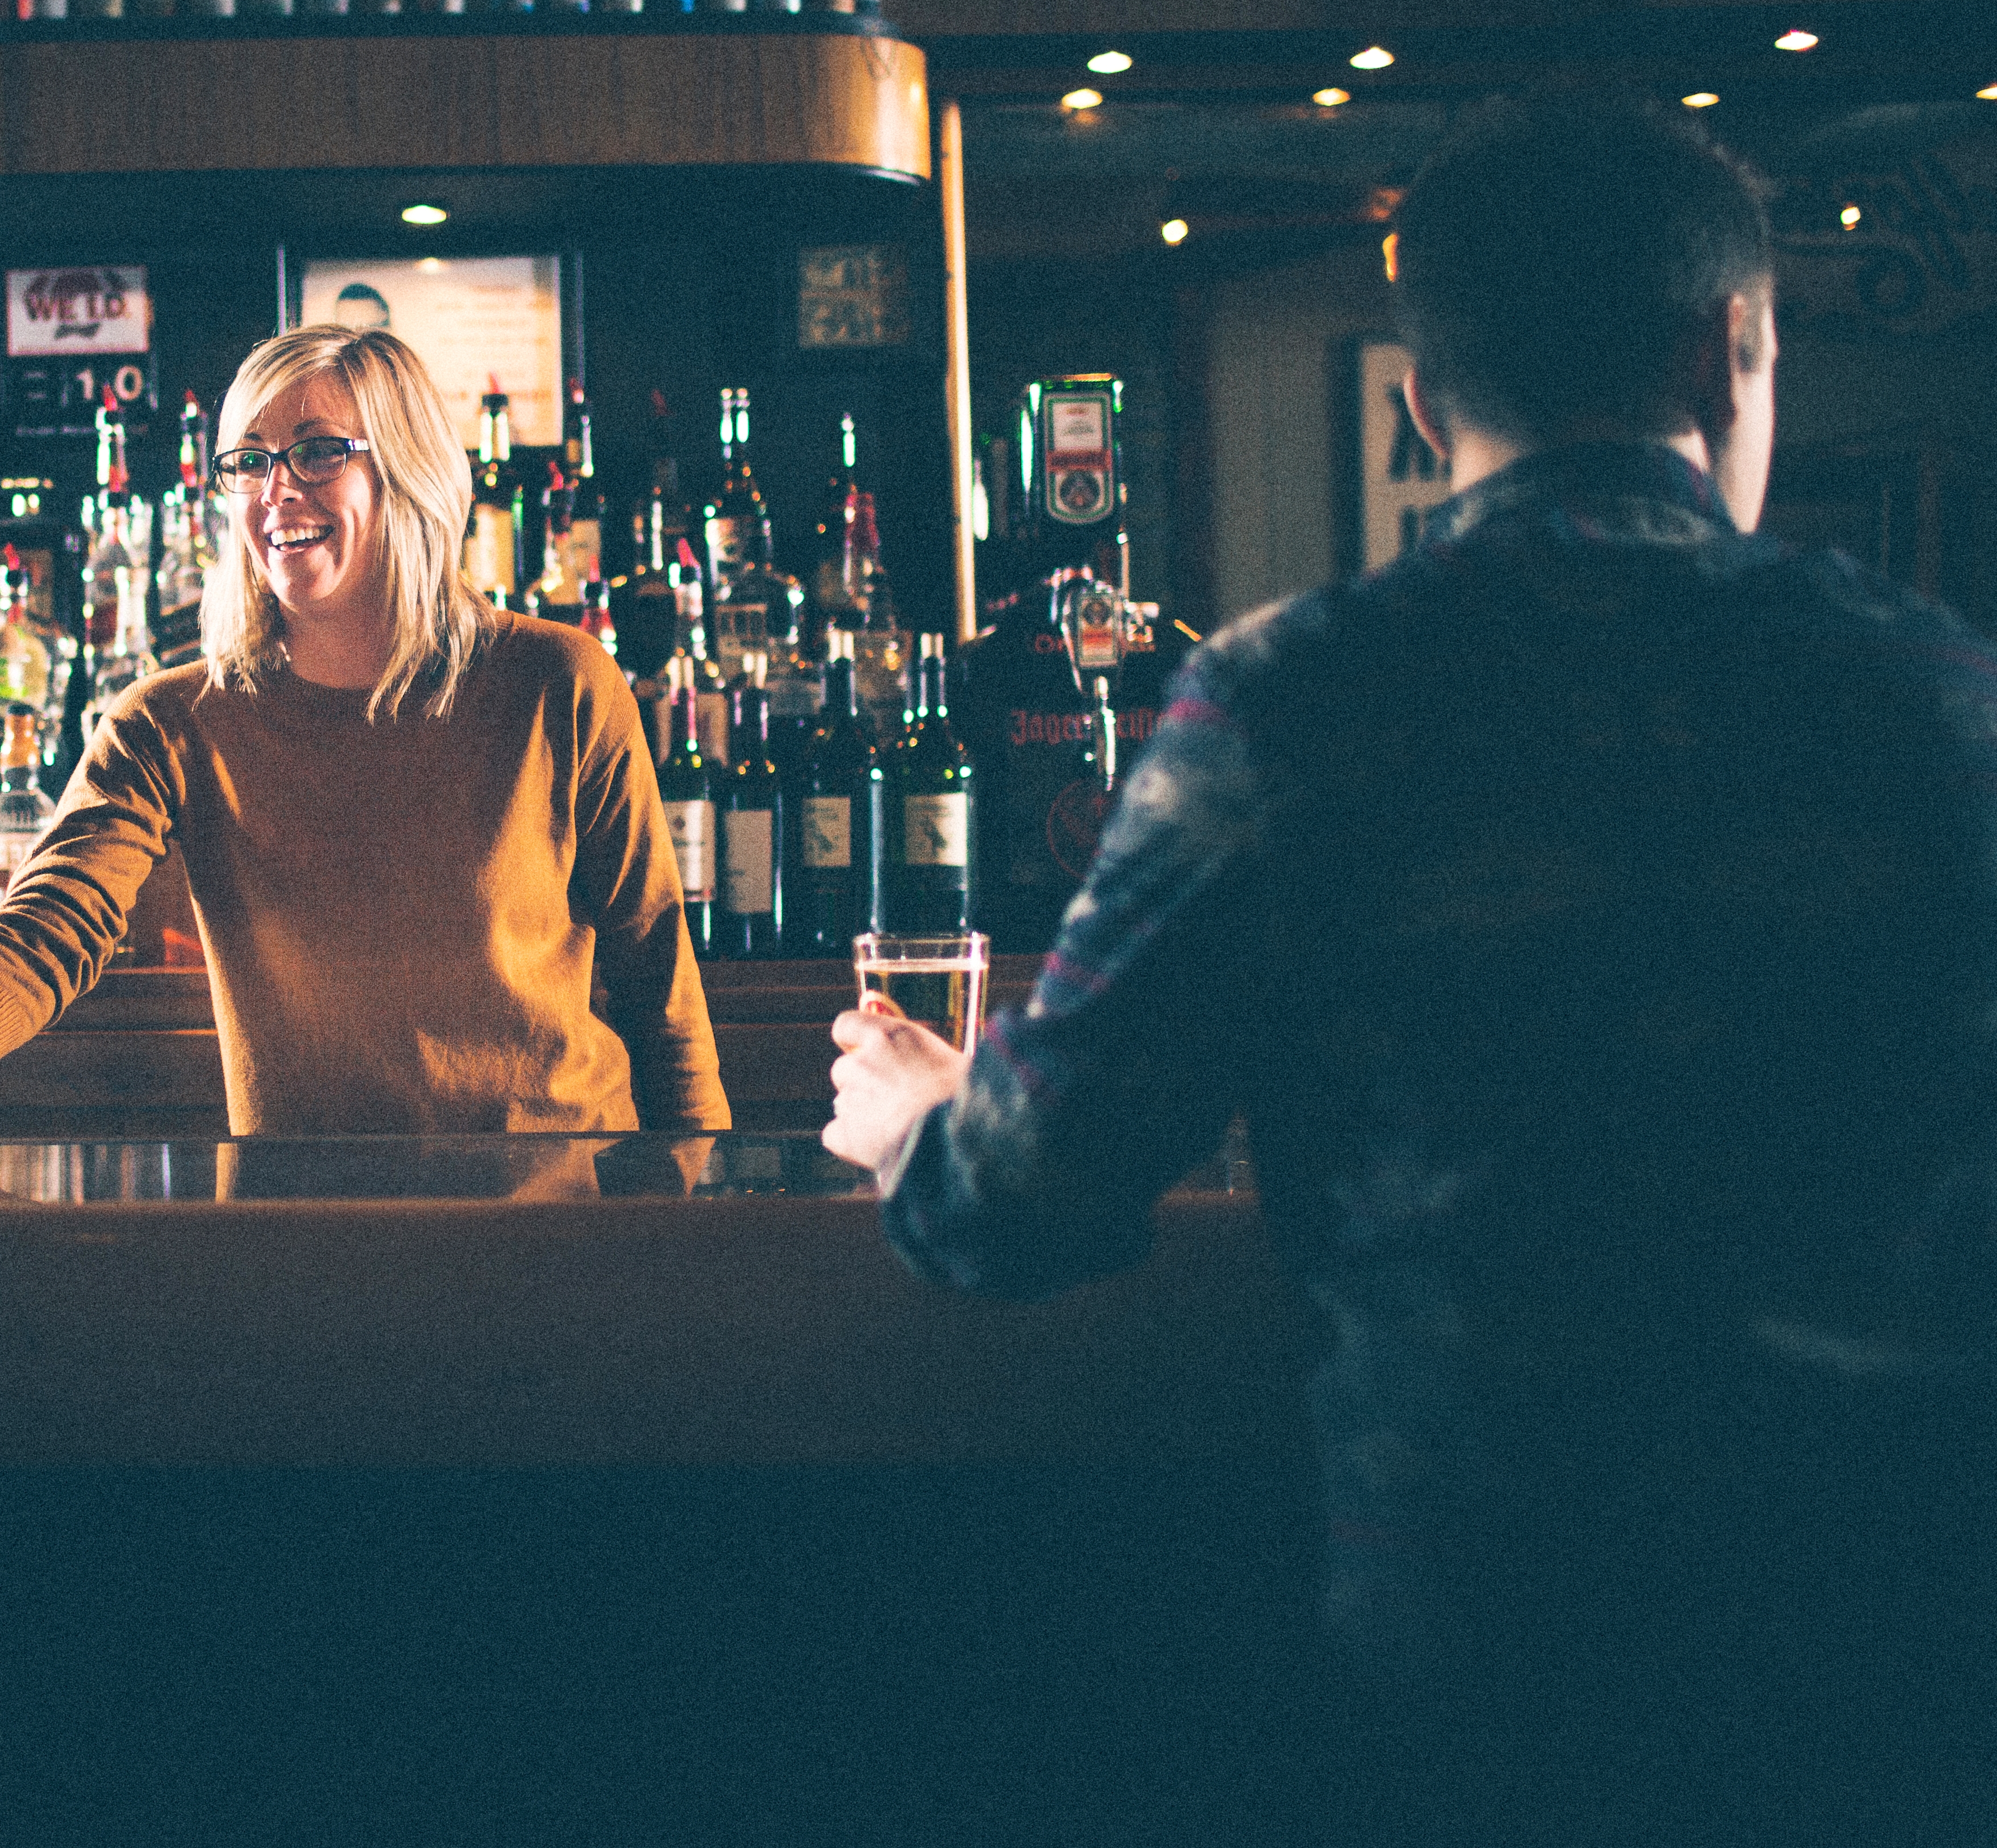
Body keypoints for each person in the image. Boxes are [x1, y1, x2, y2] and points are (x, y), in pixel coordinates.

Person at [824, 102, 1997, 1842]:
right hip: (1898, 1620)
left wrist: (925, 1115)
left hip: (1487, 1623)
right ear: (1731, 348)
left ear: (1423, 397)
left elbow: (1025, 1207)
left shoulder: (1296, 697)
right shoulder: (1938, 693)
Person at [0, 325, 724, 1161]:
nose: (276, 492)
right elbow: (53, 916)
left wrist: (700, 1216)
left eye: (316, 453)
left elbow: (657, 980)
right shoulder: (172, 722)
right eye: (250, 460)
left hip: (557, 1223)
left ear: (406, 469)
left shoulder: (556, 682)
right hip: (306, 1226)